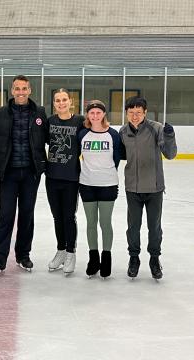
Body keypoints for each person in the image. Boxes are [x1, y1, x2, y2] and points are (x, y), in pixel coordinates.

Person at [0, 75, 48, 277]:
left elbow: (49, 137)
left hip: (31, 172)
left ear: (30, 90)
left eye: (24, 88)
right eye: (17, 88)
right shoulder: (0, 114)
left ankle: (23, 254)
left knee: (27, 214)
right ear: (12, 91)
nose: (21, 92)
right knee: (5, 214)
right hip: (9, 172)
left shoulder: (39, 113)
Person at [119, 96, 177, 280]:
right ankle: (134, 258)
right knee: (133, 227)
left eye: (138, 113)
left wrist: (169, 136)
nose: (134, 116)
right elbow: (118, 155)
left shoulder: (156, 128)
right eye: (131, 113)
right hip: (133, 188)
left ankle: (154, 259)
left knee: (154, 227)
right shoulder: (122, 131)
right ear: (126, 113)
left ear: (145, 112)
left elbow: (170, 154)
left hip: (154, 188)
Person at [78, 100, 121, 279]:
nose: (95, 116)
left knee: (105, 222)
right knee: (90, 223)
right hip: (87, 184)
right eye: (91, 113)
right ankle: (93, 259)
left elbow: (117, 157)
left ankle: (106, 258)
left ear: (104, 114)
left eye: (98, 112)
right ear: (87, 115)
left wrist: (106, 173)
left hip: (108, 184)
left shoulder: (113, 134)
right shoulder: (82, 134)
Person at [45, 89, 85, 275]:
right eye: (57, 100)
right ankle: (61, 250)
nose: (61, 103)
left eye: (64, 100)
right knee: (57, 217)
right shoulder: (50, 122)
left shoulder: (79, 121)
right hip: (52, 177)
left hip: (71, 178)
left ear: (70, 102)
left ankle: (71, 253)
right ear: (54, 104)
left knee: (69, 217)